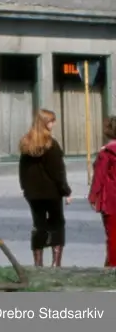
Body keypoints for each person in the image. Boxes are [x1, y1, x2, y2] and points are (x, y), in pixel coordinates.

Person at [17, 108, 72, 267]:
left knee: (38, 225)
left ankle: (38, 262)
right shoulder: (51, 145)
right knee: (57, 223)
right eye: (51, 121)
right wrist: (66, 191)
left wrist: (25, 188)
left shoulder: (26, 144)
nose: (53, 124)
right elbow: (58, 171)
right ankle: (56, 262)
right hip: (51, 192)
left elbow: (22, 170)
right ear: (45, 123)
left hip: (33, 194)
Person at [88, 115, 116, 269]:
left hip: (111, 200)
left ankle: (112, 267)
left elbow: (99, 177)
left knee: (112, 236)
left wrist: (93, 197)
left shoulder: (106, 153)